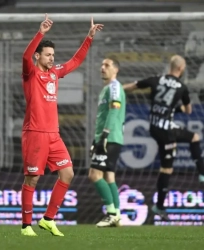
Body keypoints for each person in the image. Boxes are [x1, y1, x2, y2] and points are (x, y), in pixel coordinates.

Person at [21, 14, 103, 236]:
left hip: (53, 135)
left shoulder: (55, 73)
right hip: (35, 133)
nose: (51, 58)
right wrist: (41, 33)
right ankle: (26, 226)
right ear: (38, 56)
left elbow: (75, 62)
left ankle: (48, 219)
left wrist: (89, 37)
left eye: (53, 55)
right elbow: (25, 55)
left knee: (67, 173)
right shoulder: (31, 73)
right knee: (32, 178)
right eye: (48, 55)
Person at [123, 55, 204, 220]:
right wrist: (176, 109)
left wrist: (114, 87)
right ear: (181, 69)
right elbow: (188, 111)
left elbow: (133, 86)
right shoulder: (182, 87)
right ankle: (202, 172)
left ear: (170, 66)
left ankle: (159, 206)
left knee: (167, 168)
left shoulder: (156, 79)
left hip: (154, 127)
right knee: (194, 137)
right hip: (166, 129)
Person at [88, 57, 125, 227]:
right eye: (102, 65)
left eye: (107, 65)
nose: (102, 68)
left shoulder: (115, 87)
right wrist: (97, 140)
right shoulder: (106, 89)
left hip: (109, 138)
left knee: (94, 175)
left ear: (115, 70)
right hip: (106, 138)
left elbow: (114, 111)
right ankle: (117, 214)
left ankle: (111, 214)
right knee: (109, 176)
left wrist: (104, 135)